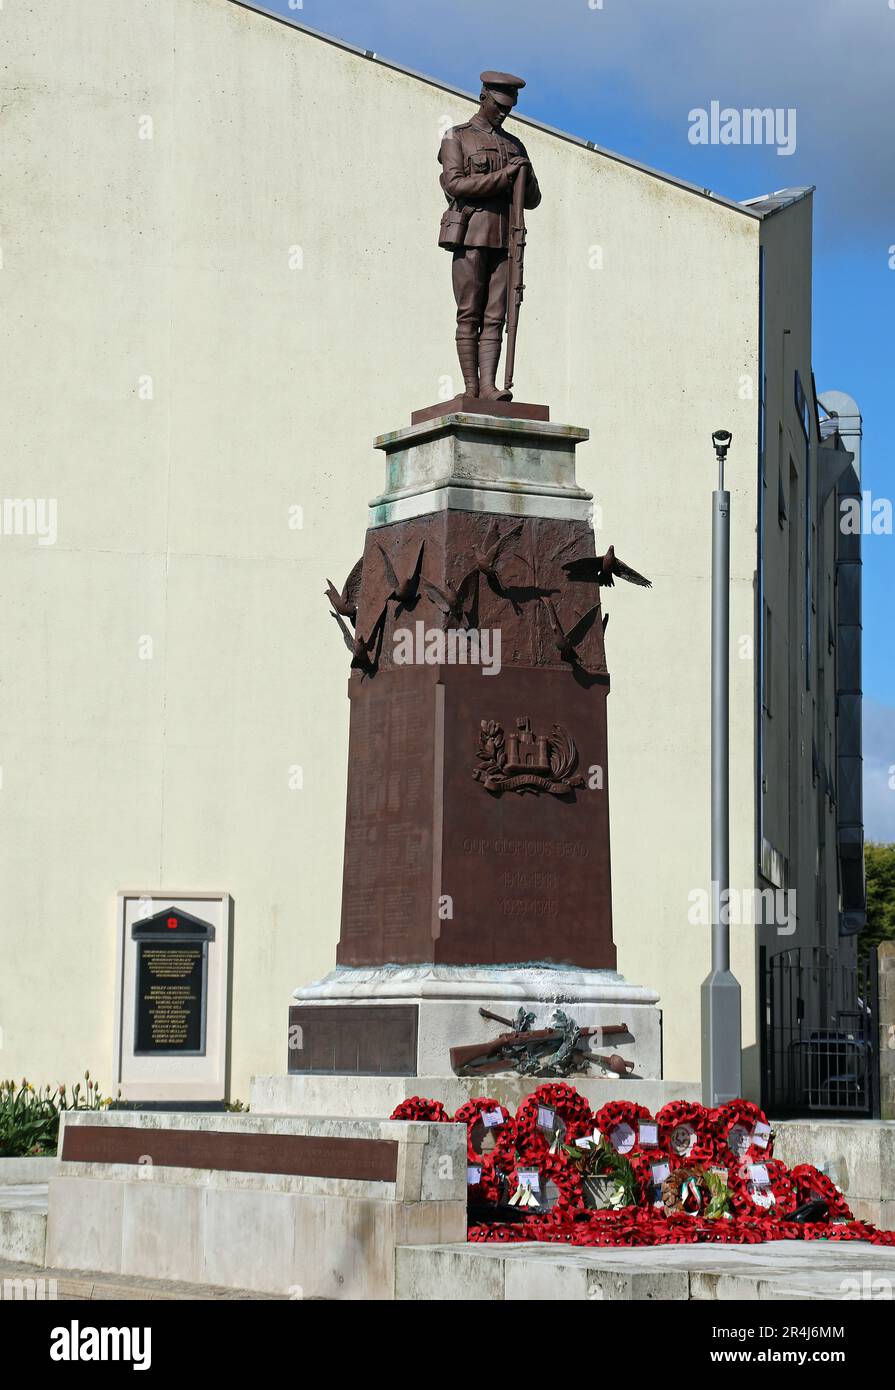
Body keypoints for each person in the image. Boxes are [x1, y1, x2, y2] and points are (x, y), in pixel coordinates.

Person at [438, 71, 541, 400]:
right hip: (470, 236)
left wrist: (524, 174)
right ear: (483, 97)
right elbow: (454, 185)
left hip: (505, 241)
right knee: (469, 312)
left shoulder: (514, 145)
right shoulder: (457, 137)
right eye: (498, 105)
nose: (503, 112)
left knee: (496, 315)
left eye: (508, 107)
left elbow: (533, 199)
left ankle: (489, 387)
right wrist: (504, 177)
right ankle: (470, 387)